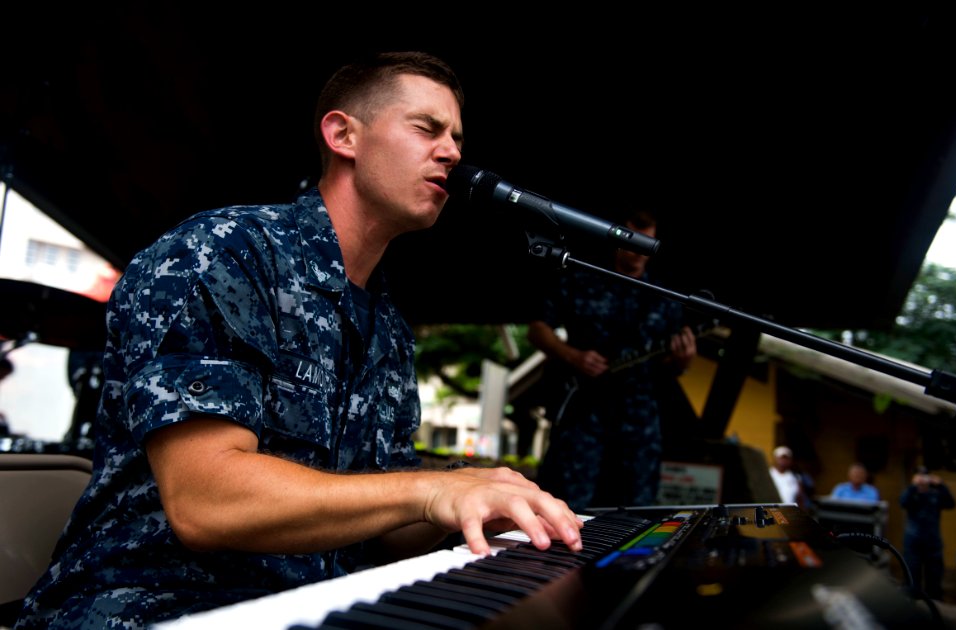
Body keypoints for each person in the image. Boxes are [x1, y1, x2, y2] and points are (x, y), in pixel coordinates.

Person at [15, 51, 583, 630]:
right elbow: (204, 501)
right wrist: (430, 489)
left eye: (457, 137)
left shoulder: (388, 326)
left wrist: (472, 501)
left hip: (308, 607)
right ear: (343, 135)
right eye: (426, 128)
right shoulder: (225, 253)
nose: (453, 153)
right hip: (151, 607)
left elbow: (384, 530)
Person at [527, 209, 698, 512]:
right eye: (633, 242)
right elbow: (538, 329)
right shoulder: (580, 277)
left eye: (647, 244)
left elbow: (671, 365)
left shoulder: (666, 295)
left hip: (639, 420)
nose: (638, 252)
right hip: (583, 412)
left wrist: (683, 359)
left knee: (637, 510)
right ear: (618, 238)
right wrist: (573, 356)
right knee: (567, 505)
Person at [899, 466, 956, 600]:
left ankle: (935, 611)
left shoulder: (936, 493)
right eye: (920, 476)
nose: (923, 480)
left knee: (934, 582)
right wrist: (913, 486)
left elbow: (951, 504)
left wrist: (942, 485)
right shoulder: (911, 493)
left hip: (933, 543)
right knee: (911, 580)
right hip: (913, 543)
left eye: (925, 476)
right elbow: (902, 502)